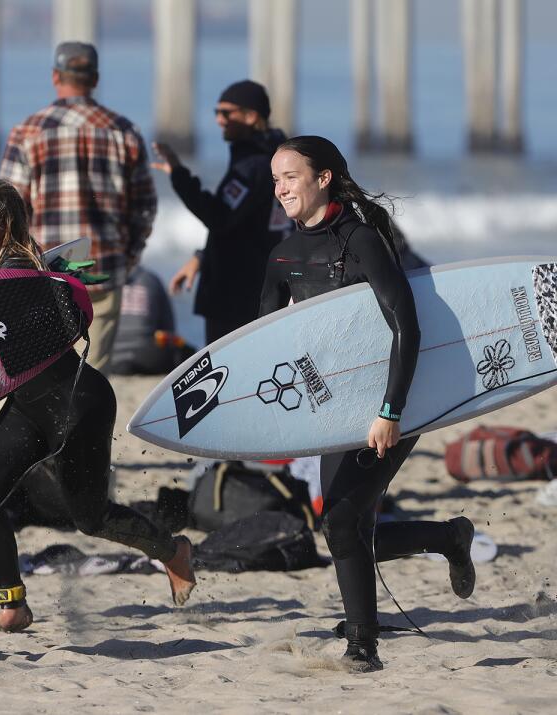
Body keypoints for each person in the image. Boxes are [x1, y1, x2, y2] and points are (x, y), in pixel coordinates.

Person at [0, 178, 195, 633]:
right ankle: (13, 602)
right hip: (29, 406)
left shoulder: (19, 273)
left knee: (91, 519)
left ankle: (172, 551)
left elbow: (22, 350)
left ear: (2, 227)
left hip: (79, 404)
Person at [261, 136, 476, 671]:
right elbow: (262, 346)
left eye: (290, 176)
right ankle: (448, 536)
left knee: (340, 522)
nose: (281, 188)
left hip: (394, 396)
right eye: (275, 180)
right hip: (333, 404)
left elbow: (407, 324)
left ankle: (363, 644)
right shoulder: (281, 256)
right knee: (345, 526)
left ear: (323, 178)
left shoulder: (361, 241)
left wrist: (391, 411)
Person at [0, 41, 156, 372]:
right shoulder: (124, 131)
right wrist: (128, 257)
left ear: (56, 76)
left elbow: (9, 208)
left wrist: (13, 264)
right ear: (95, 79)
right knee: (92, 371)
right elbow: (144, 207)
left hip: (45, 268)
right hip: (103, 265)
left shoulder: (27, 131)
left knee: (44, 368)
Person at [153, 79, 290, 344]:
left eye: (227, 113)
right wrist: (201, 258)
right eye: (216, 112)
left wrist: (180, 175)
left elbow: (219, 217)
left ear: (251, 117)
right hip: (258, 287)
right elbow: (244, 225)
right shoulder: (274, 157)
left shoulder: (253, 167)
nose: (219, 120)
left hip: (238, 293)